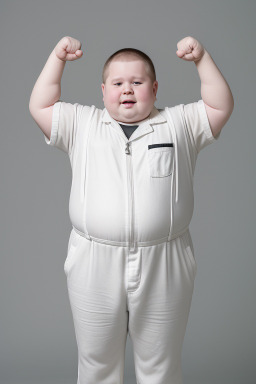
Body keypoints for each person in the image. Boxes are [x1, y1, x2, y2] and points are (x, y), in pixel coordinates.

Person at [29, 35, 234, 384]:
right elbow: (41, 106)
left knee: (161, 366)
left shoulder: (178, 124)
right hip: (94, 258)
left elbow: (219, 106)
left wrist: (202, 58)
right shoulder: (84, 124)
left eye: (137, 82)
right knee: (97, 365)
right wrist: (57, 58)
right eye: (118, 83)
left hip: (165, 258)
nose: (127, 90)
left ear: (154, 88)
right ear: (103, 90)